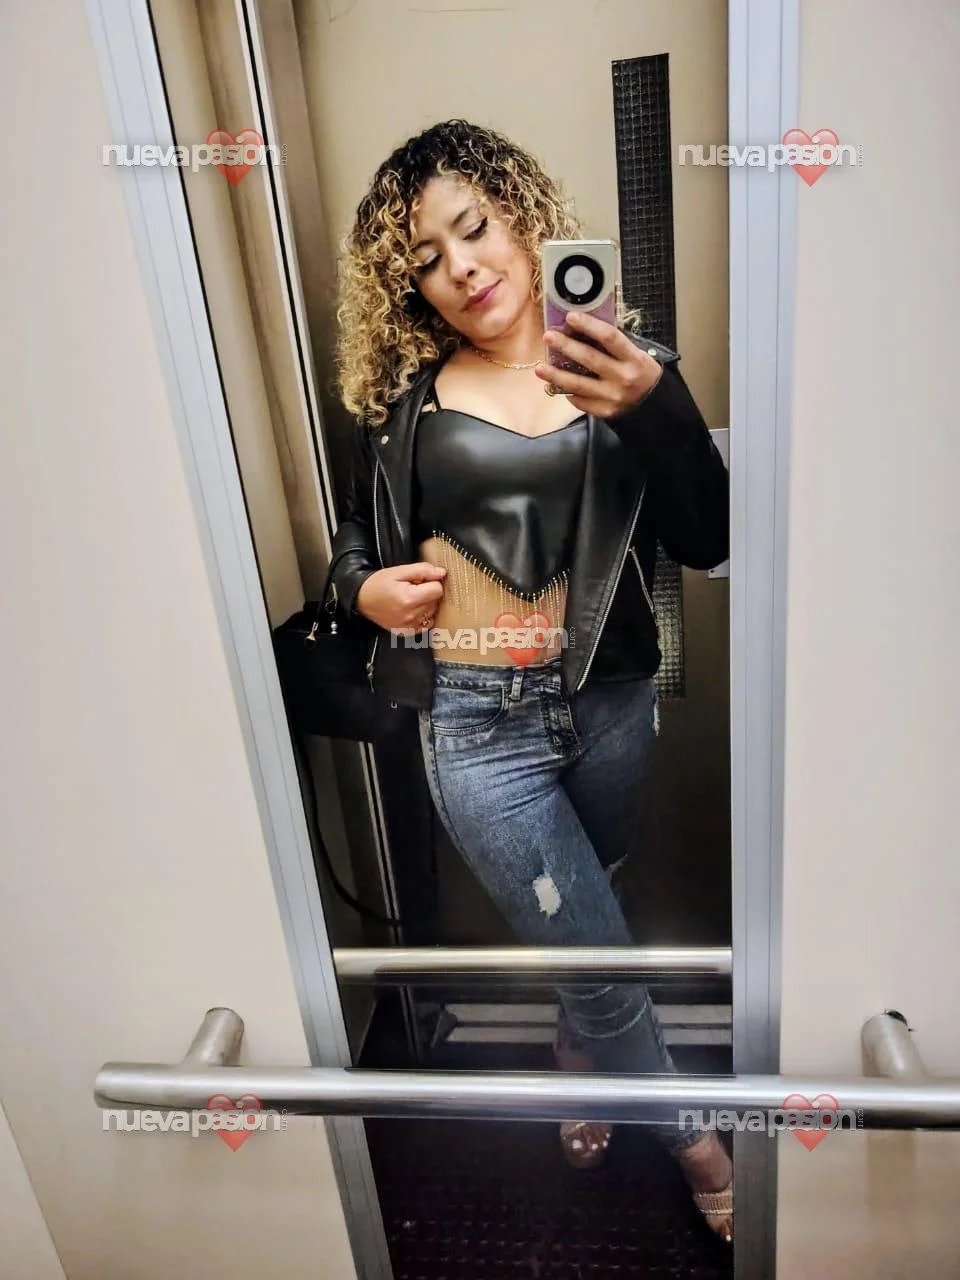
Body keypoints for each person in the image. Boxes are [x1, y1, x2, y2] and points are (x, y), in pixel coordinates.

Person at [329, 119, 733, 1243]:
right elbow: (354, 543)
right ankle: (695, 1139)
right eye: (427, 258)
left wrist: (655, 406)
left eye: (475, 229)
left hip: (609, 706)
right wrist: (365, 592)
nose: (462, 267)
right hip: (475, 725)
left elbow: (710, 539)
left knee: (588, 912)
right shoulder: (406, 401)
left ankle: (578, 1047)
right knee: (595, 953)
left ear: (520, 216)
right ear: (410, 286)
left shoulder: (623, 365)